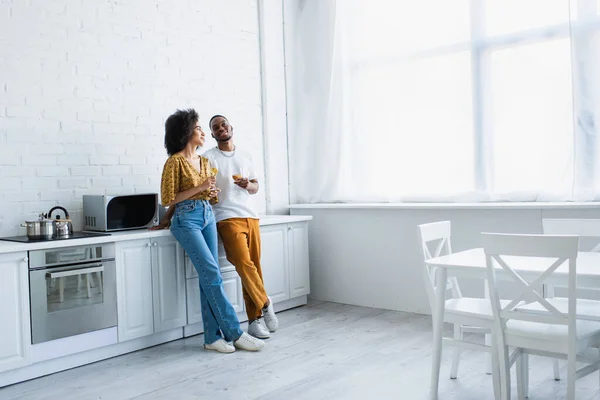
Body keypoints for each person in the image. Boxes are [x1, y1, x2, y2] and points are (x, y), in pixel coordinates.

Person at [158, 108, 264, 353]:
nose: (203, 132)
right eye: (198, 128)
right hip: (187, 219)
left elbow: (208, 194)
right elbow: (168, 198)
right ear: (186, 132)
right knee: (212, 275)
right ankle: (235, 332)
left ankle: (211, 338)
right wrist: (199, 190)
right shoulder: (174, 162)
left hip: (207, 214)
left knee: (208, 278)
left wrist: (211, 193)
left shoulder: (205, 162)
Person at [203, 114, 279, 339]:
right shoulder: (208, 158)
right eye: (216, 127)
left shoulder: (246, 155)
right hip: (226, 217)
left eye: (223, 124)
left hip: (251, 216)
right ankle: (265, 302)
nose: (221, 128)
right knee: (244, 264)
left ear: (231, 127)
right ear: (213, 134)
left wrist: (248, 184)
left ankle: (255, 321)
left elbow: (256, 187)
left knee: (254, 266)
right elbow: (208, 191)